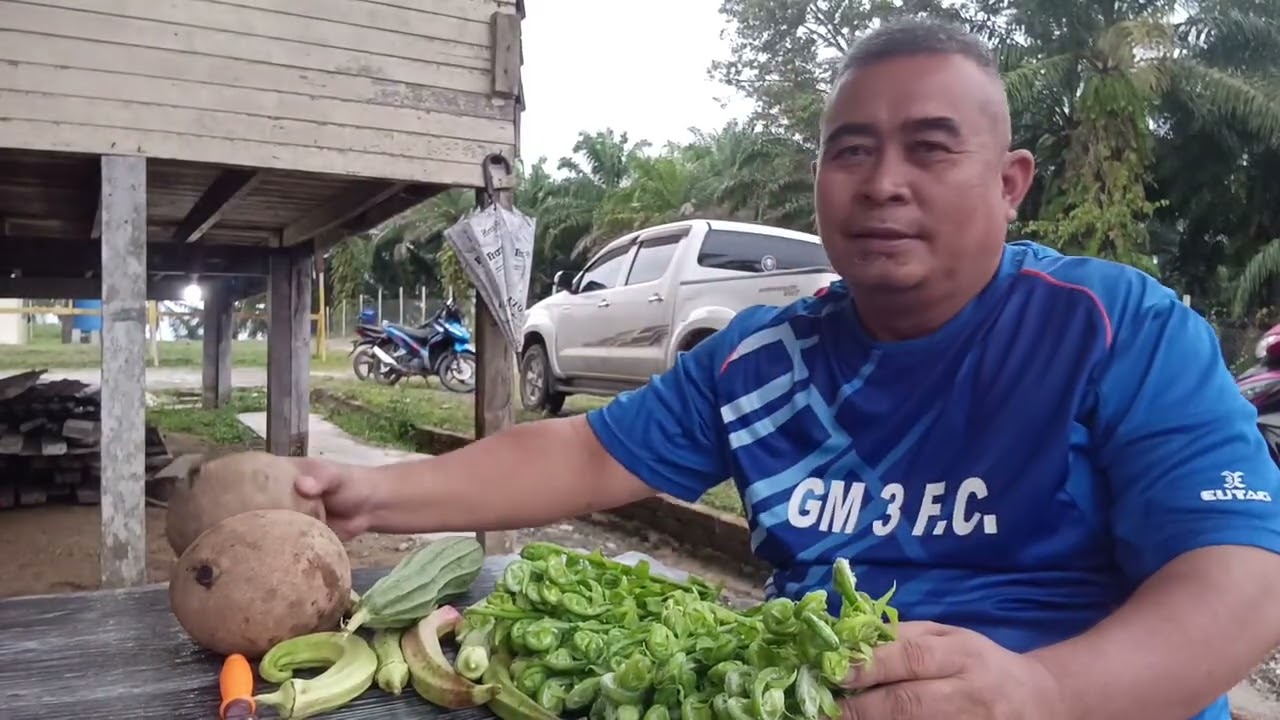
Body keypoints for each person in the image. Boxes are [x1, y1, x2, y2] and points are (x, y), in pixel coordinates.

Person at [288, 18, 1280, 720]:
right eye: (850, 150)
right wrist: (370, 494)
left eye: (927, 148)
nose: (882, 182)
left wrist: (1041, 695)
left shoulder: (1116, 330)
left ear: (1008, 182)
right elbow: (583, 455)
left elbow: (1241, 580)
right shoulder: (764, 358)